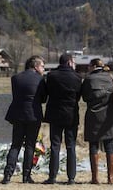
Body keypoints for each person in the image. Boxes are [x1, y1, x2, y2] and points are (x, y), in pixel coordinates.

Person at [1, 55, 46, 184]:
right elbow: (43, 99)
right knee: (30, 145)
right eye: (42, 66)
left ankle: (8, 174)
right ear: (36, 66)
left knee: (15, 145)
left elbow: (16, 96)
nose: (43, 69)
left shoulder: (16, 78)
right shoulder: (40, 80)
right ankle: (26, 176)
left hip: (18, 114)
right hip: (33, 115)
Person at [81, 58, 113, 185]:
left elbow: (84, 97)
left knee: (93, 146)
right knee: (109, 145)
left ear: (93, 66)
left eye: (89, 66)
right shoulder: (109, 77)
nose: (88, 68)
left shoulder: (88, 79)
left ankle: (95, 178)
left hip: (93, 116)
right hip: (108, 116)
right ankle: (110, 178)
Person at [43, 53, 82, 185]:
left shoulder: (51, 76)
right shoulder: (77, 77)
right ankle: (71, 177)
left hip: (55, 114)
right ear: (70, 62)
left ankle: (52, 176)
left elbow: (47, 92)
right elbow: (78, 96)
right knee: (71, 146)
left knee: (55, 145)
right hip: (71, 114)